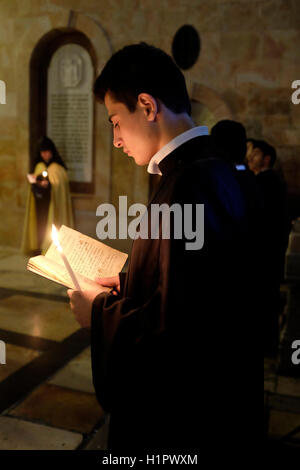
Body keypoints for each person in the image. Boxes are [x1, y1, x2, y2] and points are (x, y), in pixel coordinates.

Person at [68, 43, 258, 450]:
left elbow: (182, 335)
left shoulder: (193, 183)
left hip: (180, 429)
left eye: (116, 121)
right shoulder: (204, 168)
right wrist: (127, 283)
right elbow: (189, 288)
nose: (116, 139)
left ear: (147, 106)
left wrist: (98, 313)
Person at [248, 139, 289, 356]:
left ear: (267, 159)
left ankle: (266, 344)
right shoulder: (261, 180)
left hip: (265, 253)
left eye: (255, 154)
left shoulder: (267, 181)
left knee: (265, 299)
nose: (250, 157)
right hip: (266, 252)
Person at [21, 136, 74, 255]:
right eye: (42, 152)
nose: (44, 154)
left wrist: (49, 184)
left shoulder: (57, 169)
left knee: (50, 226)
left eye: (47, 151)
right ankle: (37, 247)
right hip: (39, 204)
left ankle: (50, 249)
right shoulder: (39, 166)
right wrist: (37, 183)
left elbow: (58, 187)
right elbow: (33, 185)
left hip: (52, 204)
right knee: (39, 225)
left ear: (52, 152)